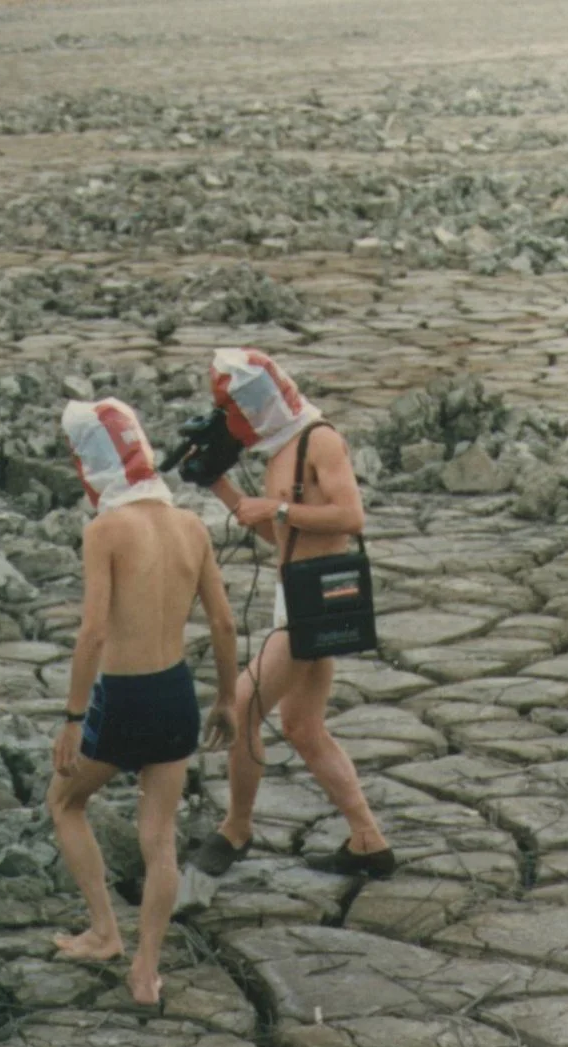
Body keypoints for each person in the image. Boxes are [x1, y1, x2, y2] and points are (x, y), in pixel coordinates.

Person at [46, 400, 238, 1006]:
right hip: (175, 692)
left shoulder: (105, 530)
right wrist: (228, 698)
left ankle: (105, 931)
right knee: (160, 838)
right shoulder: (191, 526)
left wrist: (73, 718)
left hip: (123, 696)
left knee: (65, 802)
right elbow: (224, 624)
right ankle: (147, 970)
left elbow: (93, 632)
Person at [186, 349, 394, 879]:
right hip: (297, 593)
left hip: (315, 601)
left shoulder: (318, 439)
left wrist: (275, 507)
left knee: (242, 707)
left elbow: (351, 516)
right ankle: (368, 842)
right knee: (302, 726)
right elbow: (279, 534)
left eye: (235, 411)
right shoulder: (280, 450)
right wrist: (219, 484)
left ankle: (236, 829)